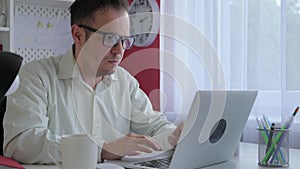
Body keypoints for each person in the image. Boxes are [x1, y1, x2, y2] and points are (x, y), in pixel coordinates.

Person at [3, 0, 183, 164]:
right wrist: (102, 149)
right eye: (111, 39)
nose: (119, 51)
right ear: (78, 35)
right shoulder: (36, 76)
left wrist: (176, 135)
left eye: (124, 40)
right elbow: (20, 143)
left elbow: (155, 126)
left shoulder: (125, 82)